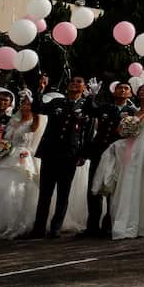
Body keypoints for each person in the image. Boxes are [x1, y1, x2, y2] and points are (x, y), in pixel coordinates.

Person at [90, 84, 144, 239]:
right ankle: (130, 220)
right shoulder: (134, 112)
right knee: (132, 183)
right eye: (141, 91)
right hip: (134, 150)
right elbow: (122, 131)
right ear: (137, 94)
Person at [30, 74, 90, 239]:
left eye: (79, 82)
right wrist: (40, 90)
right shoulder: (57, 102)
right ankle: (39, 228)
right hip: (50, 151)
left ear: (84, 87)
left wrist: (83, 154)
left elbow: (88, 132)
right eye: (72, 82)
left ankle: (56, 227)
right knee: (45, 193)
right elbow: (38, 108)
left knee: (63, 193)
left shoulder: (87, 106)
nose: (74, 84)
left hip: (70, 154)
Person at [82, 80, 137, 237]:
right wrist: (91, 96)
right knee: (95, 188)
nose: (122, 90)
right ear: (114, 92)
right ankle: (92, 227)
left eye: (126, 88)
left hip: (120, 155)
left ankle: (109, 224)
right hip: (99, 152)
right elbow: (89, 110)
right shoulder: (105, 107)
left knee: (115, 189)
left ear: (130, 93)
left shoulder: (132, 111)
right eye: (119, 88)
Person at [0, 89, 42, 239]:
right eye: (23, 104)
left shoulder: (33, 122)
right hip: (5, 157)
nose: (25, 107)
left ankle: (14, 224)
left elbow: (36, 123)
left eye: (28, 104)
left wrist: (36, 98)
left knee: (15, 190)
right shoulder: (11, 121)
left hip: (21, 159)